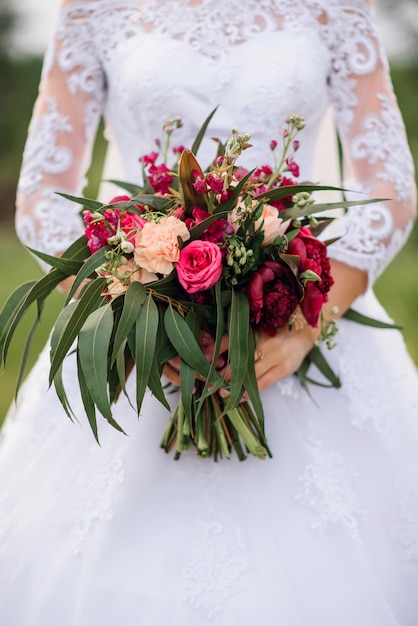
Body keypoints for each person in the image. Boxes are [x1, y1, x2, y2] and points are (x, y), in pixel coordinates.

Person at [1, 0, 418, 624]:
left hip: (297, 322)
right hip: (140, 332)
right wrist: (139, 320)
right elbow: (41, 198)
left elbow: (388, 185)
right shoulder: (92, 10)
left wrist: (305, 326)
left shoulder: (336, 8)